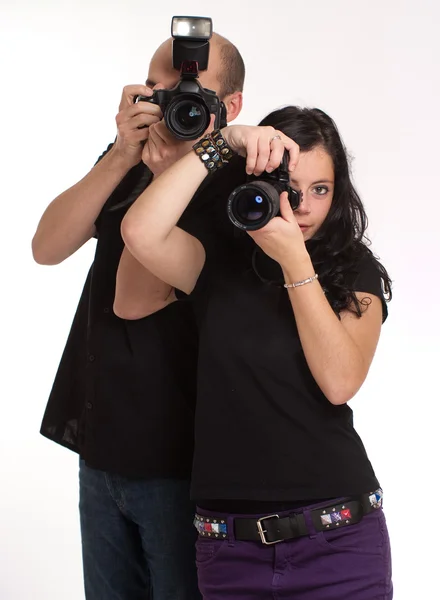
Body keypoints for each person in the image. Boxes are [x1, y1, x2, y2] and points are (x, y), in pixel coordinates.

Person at [120, 106, 393, 600]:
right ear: (263, 183)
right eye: (292, 188)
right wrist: (224, 142)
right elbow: (140, 232)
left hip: (338, 542)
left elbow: (340, 381)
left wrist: (294, 260)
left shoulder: (355, 270)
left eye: (321, 190)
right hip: (228, 551)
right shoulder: (218, 259)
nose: (305, 207)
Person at [31, 30, 245, 600]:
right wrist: (123, 154)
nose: (170, 104)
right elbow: (46, 247)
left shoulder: (237, 187)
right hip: (101, 441)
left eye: (189, 92)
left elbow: (137, 299)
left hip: (178, 460)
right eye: (157, 88)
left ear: (232, 106)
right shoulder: (132, 157)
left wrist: (177, 165)